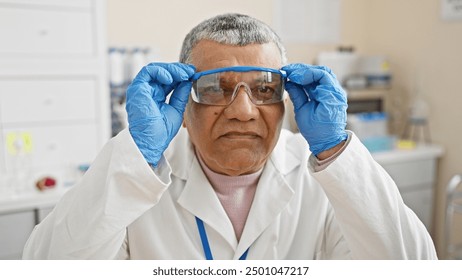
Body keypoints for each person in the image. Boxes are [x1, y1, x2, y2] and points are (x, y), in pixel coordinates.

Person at [23, 13, 437, 260]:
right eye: (214, 87)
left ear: (286, 100)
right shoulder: (132, 181)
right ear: (182, 103)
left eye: (264, 88)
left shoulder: (328, 184)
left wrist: (337, 152)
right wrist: (136, 154)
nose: (242, 111)